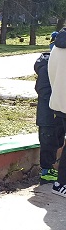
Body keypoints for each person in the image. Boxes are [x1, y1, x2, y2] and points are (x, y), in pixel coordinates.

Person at [36, 33, 65, 184]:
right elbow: (42, 89)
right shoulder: (46, 64)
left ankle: (52, 168)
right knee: (48, 142)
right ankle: (46, 171)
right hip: (48, 113)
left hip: (57, 110)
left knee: (57, 140)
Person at [45, 28, 66, 197]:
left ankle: (60, 183)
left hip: (60, 103)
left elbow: (51, 73)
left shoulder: (57, 45)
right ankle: (61, 184)